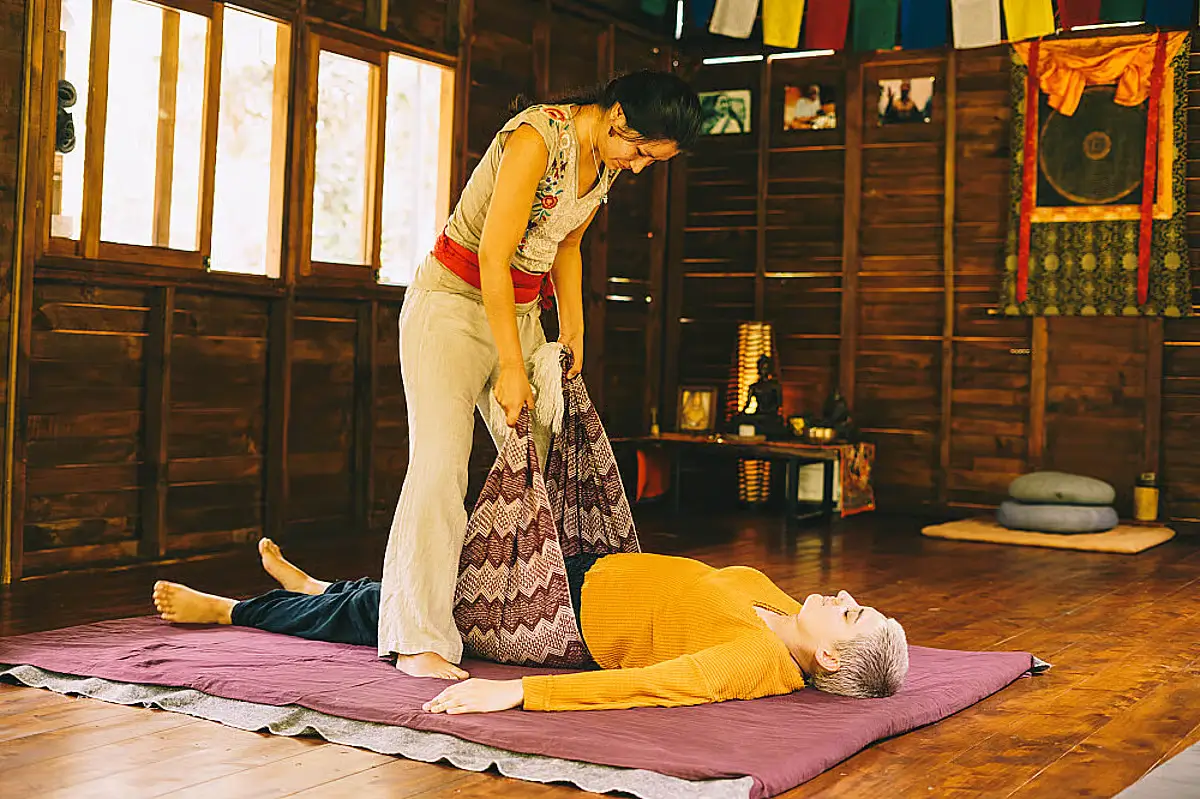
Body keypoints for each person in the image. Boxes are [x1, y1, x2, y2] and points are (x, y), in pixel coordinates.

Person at [380, 71, 702, 679]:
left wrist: (573, 332)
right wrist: (510, 366)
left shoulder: (602, 163)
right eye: (638, 151)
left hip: (521, 311)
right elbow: (493, 257)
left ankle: (512, 613)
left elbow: (568, 247)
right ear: (616, 119)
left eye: (650, 161)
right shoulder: (536, 138)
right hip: (449, 307)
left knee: (542, 458)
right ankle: (416, 637)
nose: (636, 167)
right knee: (441, 463)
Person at [151, 539, 910, 714]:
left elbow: (648, 686)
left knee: (398, 612)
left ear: (835, 650)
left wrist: (513, 696)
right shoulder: (779, 606)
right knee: (425, 584)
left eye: (852, 610)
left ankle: (231, 608)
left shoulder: (754, 661)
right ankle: (320, 586)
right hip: (580, 567)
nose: (842, 593)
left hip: (552, 621)